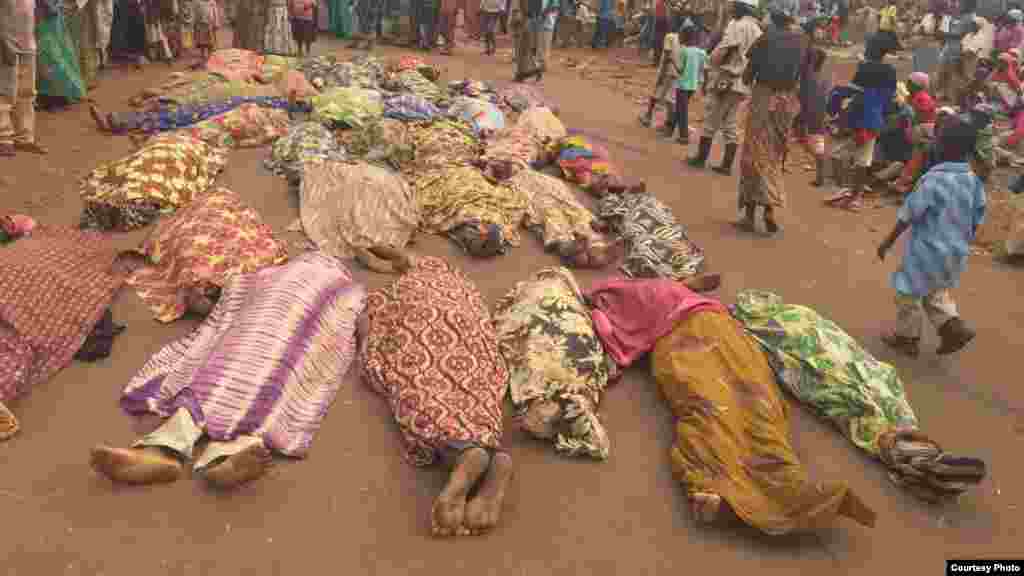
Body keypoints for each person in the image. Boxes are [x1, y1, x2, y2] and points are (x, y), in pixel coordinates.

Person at [91, 253, 365, 489]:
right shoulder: (347, 290)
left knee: (215, 376)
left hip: (262, 327)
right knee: (274, 381)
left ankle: (165, 449)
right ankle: (229, 451)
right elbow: (350, 334)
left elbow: (226, 304)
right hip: (279, 333)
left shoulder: (277, 276)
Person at [358, 251, 514, 537]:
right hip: (465, 327)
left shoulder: (387, 295)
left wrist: (368, 345)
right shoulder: (458, 283)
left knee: (418, 384)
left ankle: (464, 451)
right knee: (474, 383)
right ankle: (485, 450)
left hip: (419, 321)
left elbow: (368, 329)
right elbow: (395, 254)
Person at [877, 117, 984, 358]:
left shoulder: (933, 180)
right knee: (935, 293)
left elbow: (910, 213)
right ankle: (954, 327)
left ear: (942, 146)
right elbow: (978, 215)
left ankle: (907, 338)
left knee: (908, 292)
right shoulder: (973, 181)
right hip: (955, 251)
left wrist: (888, 240)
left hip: (926, 251)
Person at [735, 1, 807, 235]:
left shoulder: (765, 39)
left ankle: (748, 215)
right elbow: (802, 76)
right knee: (774, 154)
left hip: (763, 98)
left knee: (753, 154)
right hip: (786, 102)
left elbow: (747, 76)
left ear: (772, 20)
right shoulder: (800, 42)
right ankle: (769, 209)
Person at [687, 0, 761, 176]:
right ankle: (726, 165)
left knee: (711, 119)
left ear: (741, 7)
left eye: (733, 5)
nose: (730, 8)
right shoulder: (758, 30)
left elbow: (725, 49)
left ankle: (701, 158)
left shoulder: (738, 26)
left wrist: (712, 60)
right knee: (731, 123)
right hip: (743, 83)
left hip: (727, 78)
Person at [826, 34, 898, 211]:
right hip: (874, 119)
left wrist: (837, 102)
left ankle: (845, 190)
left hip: (858, 117)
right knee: (863, 160)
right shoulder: (890, 71)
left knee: (839, 155)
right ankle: (855, 198)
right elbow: (890, 98)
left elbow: (853, 90)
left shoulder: (865, 68)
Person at [1, 0, 48, 156]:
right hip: (6, 42)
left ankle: (24, 137)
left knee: (27, 92)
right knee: (4, 93)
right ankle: (4, 139)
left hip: (27, 42)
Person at [893, 71, 938, 194]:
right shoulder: (914, 97)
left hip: (924, 129)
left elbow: (920, 115)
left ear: (917, 85)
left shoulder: (921, 97)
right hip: (920, 130)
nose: (907, 84)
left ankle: (904, 181)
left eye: (909, 82)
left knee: (917, 154)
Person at [798, 47, 829, 186]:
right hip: (818, 113)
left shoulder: (808, 74)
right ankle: (821, 174)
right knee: (816, 143)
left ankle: (821, 173)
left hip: (806, 112)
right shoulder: (823, 77)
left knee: (800, 139)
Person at [937, 0, 978, 103]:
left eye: (962, 3)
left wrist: (947, 34)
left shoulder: (972, 18)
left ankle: (960, 96)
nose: (959, 4)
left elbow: (964, 34)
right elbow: (944, 30)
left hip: (960, 46)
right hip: (949, 45)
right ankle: (944, 93)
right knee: (944, 69)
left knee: (957, 72)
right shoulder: (957, 15)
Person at [672, 23, 707, 144]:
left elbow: (680, 70)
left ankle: (684, 136)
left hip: (682, 85)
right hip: (693, 85)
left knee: (682, 110)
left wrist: (672, 61)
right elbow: (705, 70)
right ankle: (670, 127)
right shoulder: (701, 52)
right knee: (680, 108)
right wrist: (704, 85)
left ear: (684, 37)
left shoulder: (683, 51)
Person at [638, 27, 679, 130]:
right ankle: (668, 124)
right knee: (671, 99)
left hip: (667, 71)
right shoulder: (686, 39)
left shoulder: (670, 37)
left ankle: (648, 117)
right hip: (678, 73)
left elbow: (667, 56)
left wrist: (661, 73)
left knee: (656, 93)